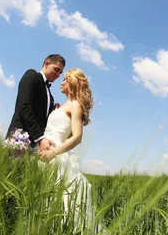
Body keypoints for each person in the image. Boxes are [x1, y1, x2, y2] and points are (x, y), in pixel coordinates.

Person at [39, 68, 100, 233]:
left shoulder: (75, 105)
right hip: (45, 155)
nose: (62, 82)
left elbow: (77, 136)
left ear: (72, 83)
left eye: (65, 79)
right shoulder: (64, 105)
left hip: (56, 156)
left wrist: (54, 152)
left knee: (62, 205)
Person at [6, 54, 66, 150]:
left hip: (35, 145)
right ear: (46, 63)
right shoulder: (32, 75)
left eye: (60, 72)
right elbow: (24, 107)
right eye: (56, 69)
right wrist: (40, 138)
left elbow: (42, 118)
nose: (58, 75)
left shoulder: (50, 96)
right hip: (19, 138)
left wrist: (54, 111)